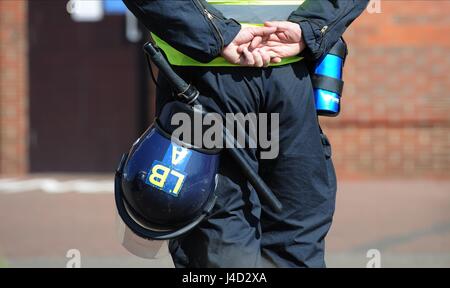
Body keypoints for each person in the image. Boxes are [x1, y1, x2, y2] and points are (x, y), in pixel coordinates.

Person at [122, 0, 369, 268]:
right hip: (212, 80)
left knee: (282, 233)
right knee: (224, 237)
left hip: (274, 78)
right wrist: (218, 34)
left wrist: (310, 29)